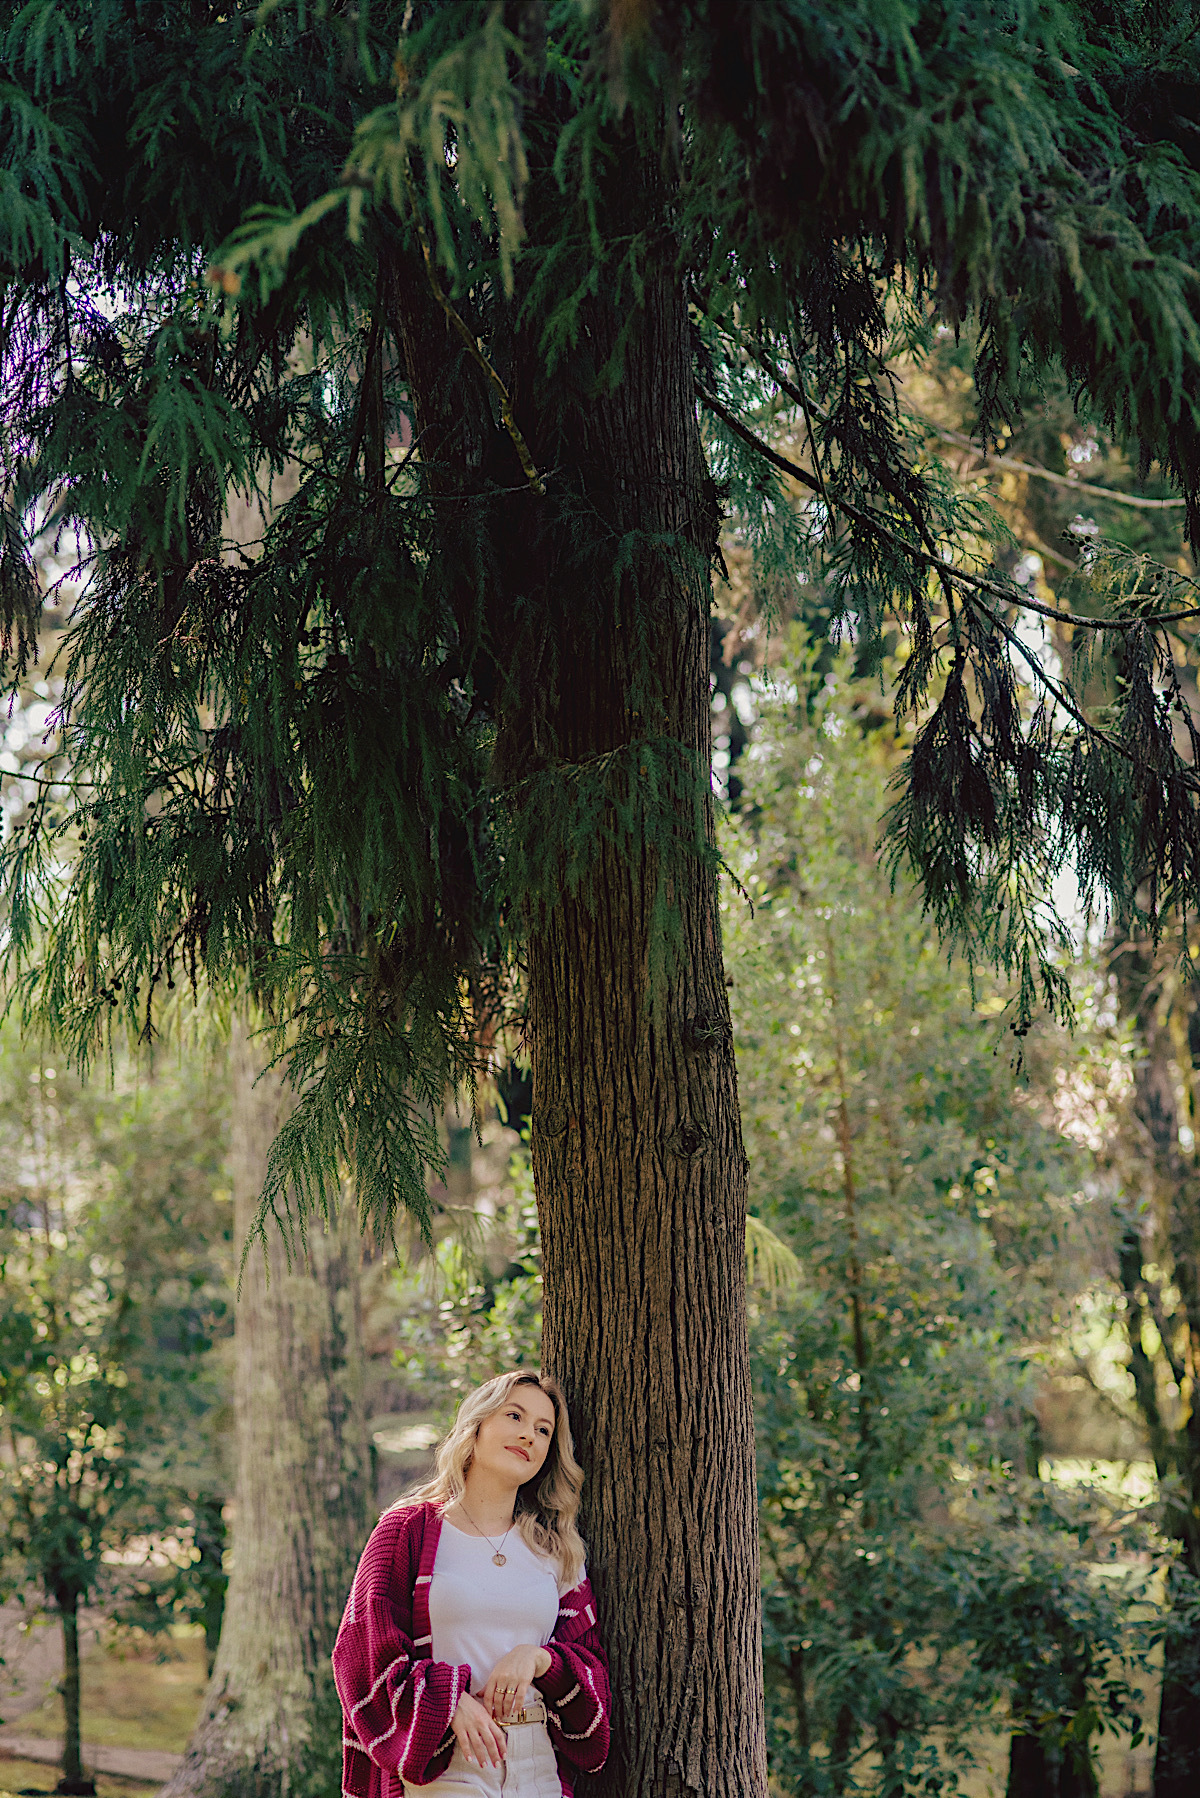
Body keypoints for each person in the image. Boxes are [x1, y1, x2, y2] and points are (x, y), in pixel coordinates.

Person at [333, 1370, 610, 1798]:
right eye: (514, 1416)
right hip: (447, 1763)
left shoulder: (557, 1550)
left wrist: (537, 1660)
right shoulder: (407, 1531)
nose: (529, 1436)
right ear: (476, 1426)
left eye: (543, 1429)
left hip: (536, 1763)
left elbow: (590, 1666)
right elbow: (361, 1654)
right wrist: (448, 1701)